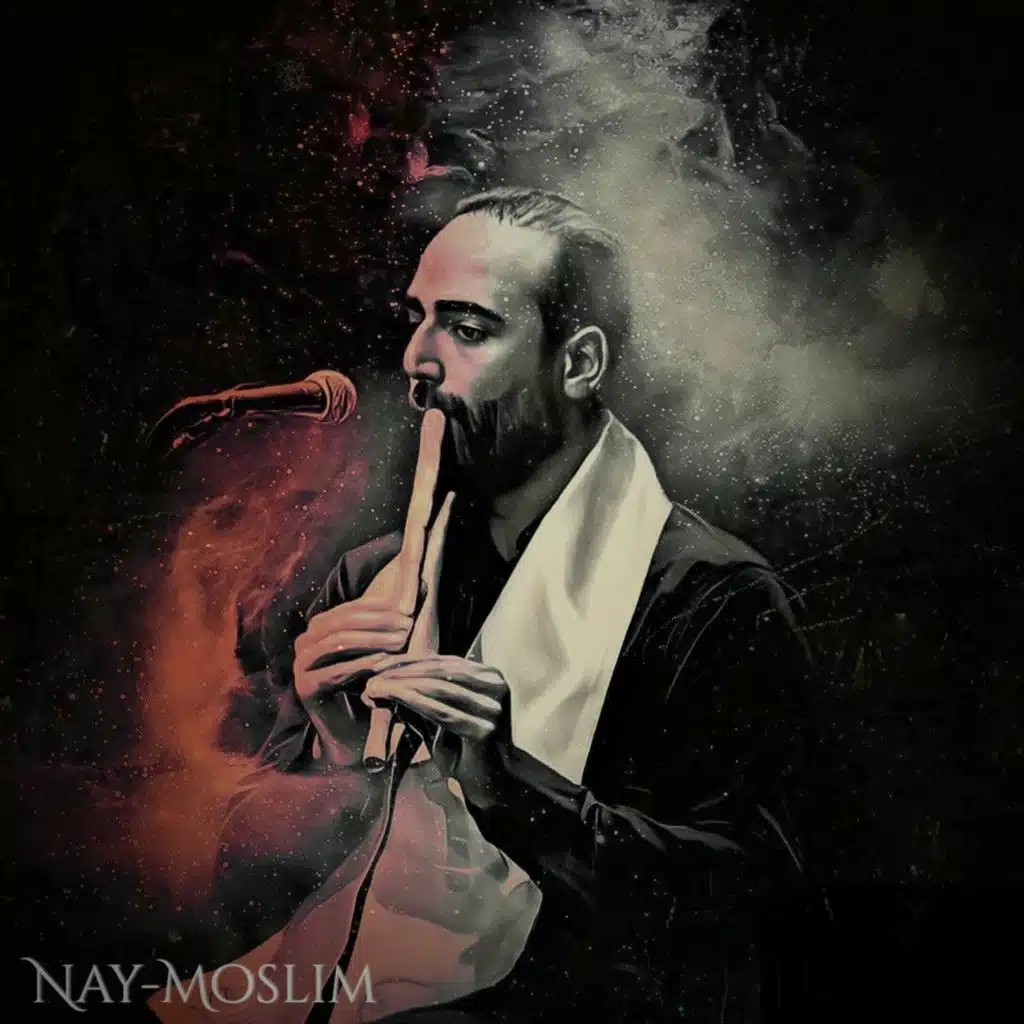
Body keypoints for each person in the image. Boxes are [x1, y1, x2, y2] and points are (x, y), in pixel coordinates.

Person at [177, 188, 821, 1024]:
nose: (417, 359)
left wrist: (512, 790)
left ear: (579, 364)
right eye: (416, 318)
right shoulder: (371, 577)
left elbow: (752, 906)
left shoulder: (710, 599)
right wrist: (332, 754)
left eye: (469, 329)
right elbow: (247, 880)